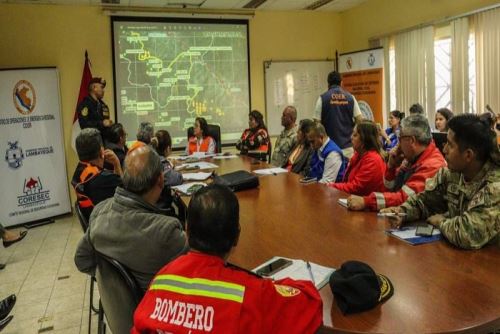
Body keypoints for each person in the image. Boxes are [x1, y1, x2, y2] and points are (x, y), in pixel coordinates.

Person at [132, 184, 323, 334]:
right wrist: (271, 284)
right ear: (237, 236)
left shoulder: (161, 280)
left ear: (187, 231)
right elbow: (311, 303)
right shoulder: (250, 294)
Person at [74, 145, 188, 291]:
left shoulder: (99, 212)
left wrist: (114, 286)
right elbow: (197, 273)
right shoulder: (167, 231)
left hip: (118, 310)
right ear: (161, 179)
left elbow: (81, 260)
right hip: (152, 308)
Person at [381, 114, 500, 249]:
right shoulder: (451, 173)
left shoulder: (495, 186)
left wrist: (441, 221)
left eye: (450, 145)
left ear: (468, 155)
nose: (444, 150)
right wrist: (402, 212)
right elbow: (425, 201)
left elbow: (467, 234)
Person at [346, 114, 446, 211]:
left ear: (411, 141)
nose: (397, 145)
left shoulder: (432, 165)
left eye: (400, 139)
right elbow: (389, 189)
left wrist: (366, 201)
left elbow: (404, 199)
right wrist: (391, 166)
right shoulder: (411, 158)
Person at [71, 128, 123, 221]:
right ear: (101, 151)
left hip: (94, 222)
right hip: (107, 225)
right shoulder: (103, 179)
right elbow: (126, 193)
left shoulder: (79, 171)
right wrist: (117, 164)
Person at [314, 71, 363, 158]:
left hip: (329, 148)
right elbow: (359, 120)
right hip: (348, 146)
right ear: (341, 83)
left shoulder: (322, 98)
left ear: (328, 84)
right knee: (347, 171)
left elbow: (317, 124)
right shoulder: (351, 97)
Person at [329, 121, 386, 196]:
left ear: (364, 139)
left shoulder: (372, 160)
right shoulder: (359, 154)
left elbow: (356, 187)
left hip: (368, 204)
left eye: (355, 135)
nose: (351, 137)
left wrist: (331, 185)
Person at [155, 129, 183, 210]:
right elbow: (178, 179)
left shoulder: (151, 157)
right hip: (161, 210)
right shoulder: (161, 162)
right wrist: (170, 165)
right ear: (167, 148)